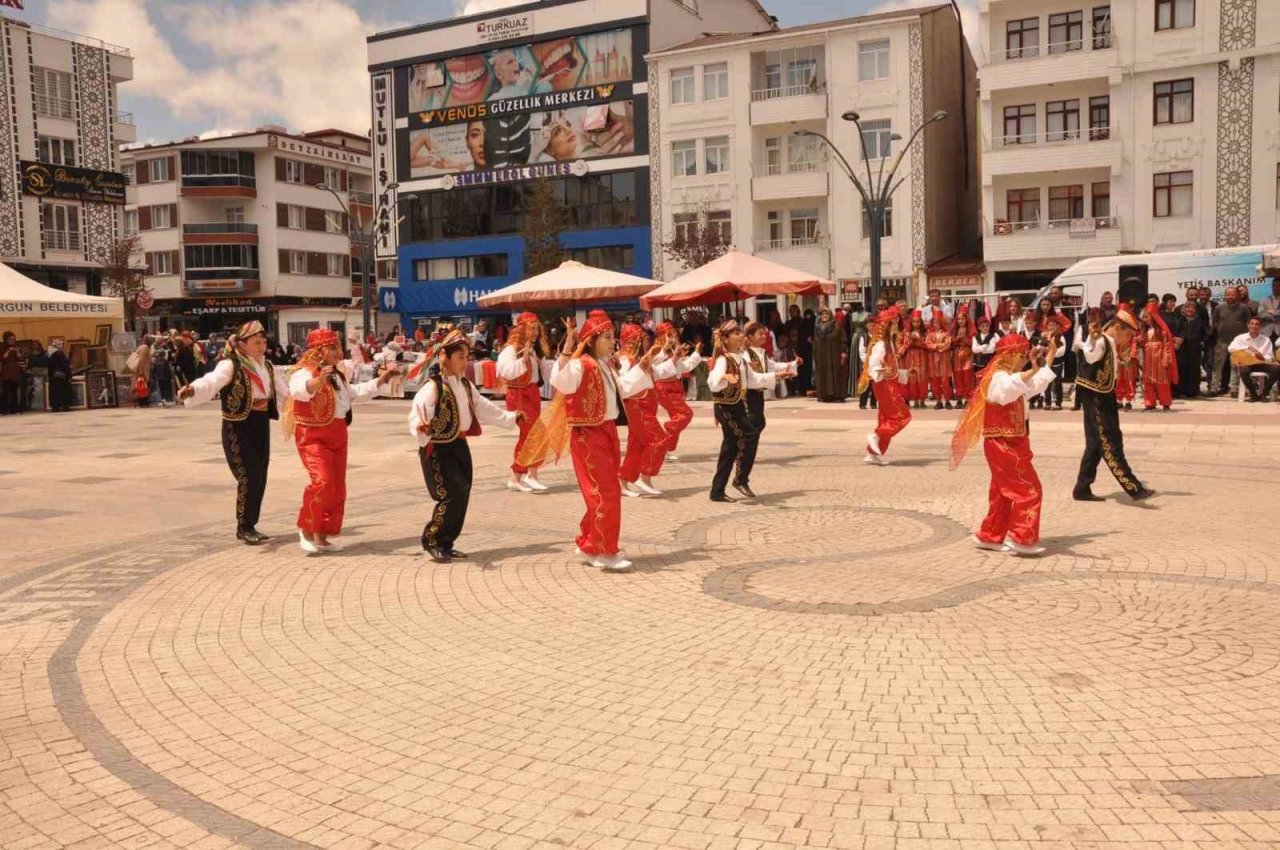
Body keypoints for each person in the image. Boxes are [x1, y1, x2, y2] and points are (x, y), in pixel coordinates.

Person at [539, 312, 647, 572]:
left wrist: (643, 367)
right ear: (592, 339)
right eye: (608, 338)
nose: (613, 343)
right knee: (605, 493)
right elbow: (560, 381)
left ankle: (590, 542)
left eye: (613, 338)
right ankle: (603, 550)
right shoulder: (581, 364)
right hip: (588, 434)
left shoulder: (605, 365)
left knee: (602, 492)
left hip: (607, 430)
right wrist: (566, 348)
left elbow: (624, 388)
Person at [410, 329, 521, 563]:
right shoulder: (434, 387)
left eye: (467, 357)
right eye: (460, 357)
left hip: (458, 444)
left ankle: (446, 542)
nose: (465, 362)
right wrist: (420, 426)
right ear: (445, 358)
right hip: (439, 448)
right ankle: (433, 540)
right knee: (451, 494)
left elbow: (484, 407)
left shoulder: (465, 385)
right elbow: (418, 411)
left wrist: (511, 418)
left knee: (463, 492)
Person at [178, 321, 293, 545]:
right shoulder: (230, 365)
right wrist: (192, 389)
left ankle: (252, 523)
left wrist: (305, 403)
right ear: (242, 344)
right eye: (256, 342)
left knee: (260, 474)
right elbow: (211, 381)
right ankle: (244, 526)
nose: (261, 346)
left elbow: (285, 393)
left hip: (260, 422)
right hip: (238, 424)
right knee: (248, 474)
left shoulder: (267, 366)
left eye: (263, 341)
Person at [285, 328, 398, 554]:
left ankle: (322, 535)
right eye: (333, 347)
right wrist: (317, 383)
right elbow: (297, 390)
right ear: (319, 350)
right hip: (313, 435)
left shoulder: (337, 374)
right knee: (323, 481)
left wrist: (382, 379)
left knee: (336, 488)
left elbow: (354, 393)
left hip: (338, 433)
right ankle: (306, 529)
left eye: (338, 347)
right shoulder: (304, 372)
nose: (338, 352)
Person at [950, 333, 1057, 556]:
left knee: (1002, 492)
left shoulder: (1012, 376)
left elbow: (1032, 385)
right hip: (1003, 444)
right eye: (1019, 355)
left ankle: (990, 535)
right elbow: (1008, 390)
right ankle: (1022, 538)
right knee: (1029, 489)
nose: (1022, 360)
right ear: (1008, 356)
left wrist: (1050, 356)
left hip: (1012, 442)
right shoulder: (997, 378)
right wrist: (1032, 370)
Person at [1073, 308, 1154, 502]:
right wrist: (1092, 339)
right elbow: (1091, 356)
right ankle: (1133, 487)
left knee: (1095, 443)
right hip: (1097, 397)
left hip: (1101, 395)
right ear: (1118, 327)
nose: (1129, 339)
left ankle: (1082, 488)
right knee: (1109, 440)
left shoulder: (1108, 342)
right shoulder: (1102, 340)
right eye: (1128, 334)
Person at [737, 321, 798, 497]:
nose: (763, 337)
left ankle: (741, 466)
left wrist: (792, 364)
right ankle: (741, 474)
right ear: (749, 337)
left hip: (757, 396)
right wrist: (777, 375)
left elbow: (772, 366)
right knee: (752, 432)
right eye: (759, 334)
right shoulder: (746, 356)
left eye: (764, 334)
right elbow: (753, 379)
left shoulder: (761, 354)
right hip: (747, 396)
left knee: (757, 426)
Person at [496, 312, 551, 493]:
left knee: (532, 435)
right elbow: (505, 371)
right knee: (534, 434)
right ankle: (528, 475)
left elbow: (548, 368)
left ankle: (520, 477)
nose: (535, 332)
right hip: (519, 396)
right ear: (522, 329)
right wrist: (524, 359)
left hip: (532, 394)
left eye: (537, 329)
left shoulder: (535, 349)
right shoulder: (511, 349)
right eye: (531, 328)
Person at [706, 321, 759, 502]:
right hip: (725, 407)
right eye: (735, 333)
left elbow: (754, 380)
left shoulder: (741, 359)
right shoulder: (723, 359)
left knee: (729, 448)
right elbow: (712, 382)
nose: (741, 335)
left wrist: (779, 374)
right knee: (750, 433)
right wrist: (726, 377)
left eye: (740, 332)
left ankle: (717, 491)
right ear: (726, 339)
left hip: (736, 406)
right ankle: (740, 479)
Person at [616, 323, 668, 498]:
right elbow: (622, 386)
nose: (644, 341)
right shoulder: (625, 360)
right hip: (637, 408)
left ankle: (623, 481)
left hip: (646, 407)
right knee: (659, 439)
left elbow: (657, 373)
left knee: (635, 447)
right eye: (641, 338)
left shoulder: (638, 359)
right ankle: (644, 476)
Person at [861, 307, 911, 465]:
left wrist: (906, 373)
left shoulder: (889, 345)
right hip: (885, 387)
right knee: (902, 417)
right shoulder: (881, 345)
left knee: (887, 420)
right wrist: (883, 370)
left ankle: (872, 454)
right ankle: (876, 436)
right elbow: (872, 368)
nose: (896, 326)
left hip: (890, 384)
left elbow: (891, 369)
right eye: (893, 323)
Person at [651, 321, 699, 460]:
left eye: (674, 333)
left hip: (675, 386)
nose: (673, 337)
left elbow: (683, 368)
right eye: (669, 334)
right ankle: (664, 434)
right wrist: (671, 355)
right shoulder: (656, 350)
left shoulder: (673, 350)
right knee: (685, 414)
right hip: (664, 387)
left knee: (677, 417)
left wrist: (696, 353)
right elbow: (654, 368)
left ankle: (664, 448)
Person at [1210, 285, 1252, 396]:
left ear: (1237, 295)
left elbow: (1249, 323)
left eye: (1232, 294)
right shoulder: (1219, 308)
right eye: (1227, 294)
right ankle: (1214, 388)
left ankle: (1235, 389)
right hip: (1222, 340)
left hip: (1239, 343)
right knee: (1218, 366)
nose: (1229, 296)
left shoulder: (1244, 308)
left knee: (1236, 366)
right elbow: (1215, 322)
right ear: (1224, 296)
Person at [1228, 317, 1280, 402]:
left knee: (1277, 369)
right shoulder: (1240, 338)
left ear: (1260, 327)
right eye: (1252, 323)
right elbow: (1230, 348)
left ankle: (1264, 394)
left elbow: (1270, 356)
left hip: (1262, 363)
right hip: (1247, 363)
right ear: (1248, 325)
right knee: (1243, 371)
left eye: (1257, 324)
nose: (1254, 326)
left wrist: (1262, 357)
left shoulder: (1266, 340)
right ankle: (1254, 394)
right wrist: (1247, 347)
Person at [1140, 304, 1176, 411]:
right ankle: (1150, 403)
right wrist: (1139, 341)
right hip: (1148, 360)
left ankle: (1165, 402)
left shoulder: (1162, 331)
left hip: (1159, 359)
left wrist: (1166, 359)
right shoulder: (1144, 331)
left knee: (1162, 381)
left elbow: (1167, 346)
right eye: (1143, 317)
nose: (1144, 320)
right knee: (1148, 381)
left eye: (1146, 317)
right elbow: (1142, 344)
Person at [811, 306, 847, 403]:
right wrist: (814, 354)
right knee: (822, 374)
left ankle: (836, 396)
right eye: (823, 314)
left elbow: (843, 339)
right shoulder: (817, 328)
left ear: (830, 315)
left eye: (826, 314)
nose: (825, 316)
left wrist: (843, 352)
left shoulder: (836, 325)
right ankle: (824, 395)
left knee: (835, 373)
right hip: (821, 355)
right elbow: (815, 342)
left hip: (834, 354)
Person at [1174, 301, 1206, 398]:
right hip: (1181, 348)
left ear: (1195, 310)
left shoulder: (1199, 321)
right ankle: (1180, 390)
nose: (1190, 309)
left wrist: (1202, 341)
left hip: (1195, 348)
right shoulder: (1178, 320)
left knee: (1194, 369)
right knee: (1181, 368)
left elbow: (1205, 333)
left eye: (1192, 308)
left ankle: (1193, 391)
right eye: (1188, 307)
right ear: (1183, 309)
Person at [898, 310, 929, 409]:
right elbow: (903, 345)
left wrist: (918, 341)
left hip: (922, 356)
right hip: (910, 357)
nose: (916, 324)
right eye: (914, 322)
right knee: (912, 378)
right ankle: (915, 400)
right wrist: (911, 341)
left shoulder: (925, 333)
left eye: (918, 321)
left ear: (921, 322)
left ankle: (922, 400)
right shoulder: (906, 332)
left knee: (922, 379)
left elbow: (927, 345)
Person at [924, 313, 954, 410]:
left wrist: (936, 346)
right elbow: (927, 345)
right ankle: (938, 401)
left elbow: (948, 344)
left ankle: (947, 400)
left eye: (937, 322)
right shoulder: (929, 334)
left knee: (945, 381)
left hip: (943, 360)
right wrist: (937, 346)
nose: (935, 324)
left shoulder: (946, 333)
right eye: (934, 322)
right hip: (933, 360)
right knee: (935, 382)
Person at [951, 306, 976, 409]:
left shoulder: (971, 330)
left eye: (962, 319)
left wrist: (964, 338)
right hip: (957, 355)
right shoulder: (954, 330)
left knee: (967, 376)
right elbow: (950, 343)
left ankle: (968, 399)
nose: (960, 321)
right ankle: (959, 398)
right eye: (959, 319)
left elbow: (973, 343)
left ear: (966, 319)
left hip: (968, 354)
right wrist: (957, 339)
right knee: (957, 377)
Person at [1, 332, 24, 415]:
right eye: (10, 339)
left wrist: (17, 352)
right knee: (5, 391)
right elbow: (2, 358)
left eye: (14, 339)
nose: (12, 341)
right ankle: (4, 409)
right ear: (6, 340)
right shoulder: (2, 347)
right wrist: (8, 351)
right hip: (6, 372)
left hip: (14, 372)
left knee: (14, 391)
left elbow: (20, 358)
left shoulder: (16, 347)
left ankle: (14, 409)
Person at [45, 340, 71, 412]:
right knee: (63, 392)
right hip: (61, 376)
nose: (62, 346)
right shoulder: (59, 354)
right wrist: (69, 375)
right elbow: (65, 366)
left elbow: (49, 367)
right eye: (61, 345)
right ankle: (65, 406)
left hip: (53, 376)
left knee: (54, 393)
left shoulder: (50, 354)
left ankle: (55, 407)